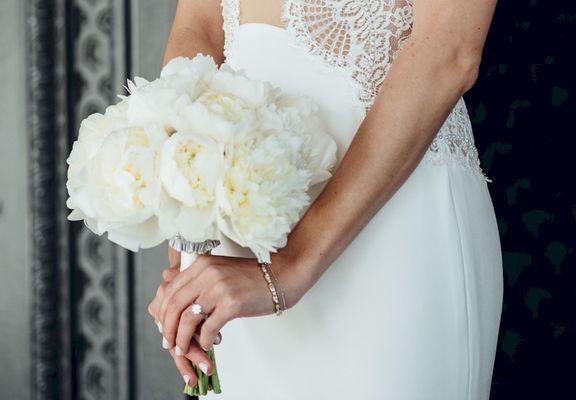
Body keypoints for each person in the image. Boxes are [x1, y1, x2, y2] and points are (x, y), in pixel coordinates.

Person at [148, 0, 503, 398]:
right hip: (239, 242)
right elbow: (200, 25)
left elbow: (449, 50)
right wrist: (185, 205)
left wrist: (290, 267)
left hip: (391, 229)